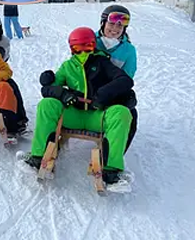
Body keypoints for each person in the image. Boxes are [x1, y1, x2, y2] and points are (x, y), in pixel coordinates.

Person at [19, 27, 134, 190]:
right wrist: (63, 94)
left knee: (121, 113)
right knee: (47, 104)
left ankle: (111, 171)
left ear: (93, 46)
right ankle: (38, 157)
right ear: (71, 49)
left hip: (97, 116)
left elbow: (125, 80)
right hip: (73, 115)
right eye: (77, 48)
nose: (82, 52)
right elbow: (48, 89)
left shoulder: (103, 63)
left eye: (86, 47)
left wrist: (103, 96)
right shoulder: (68, 66)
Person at [96, 5, 138, 152]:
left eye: (120, 25)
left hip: (112, 93)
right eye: (111, 23)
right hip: (87, 88)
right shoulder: (91, 40)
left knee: (131, 114)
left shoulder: (128, 50)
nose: (115, 28)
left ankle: (113, 155)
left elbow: (127, 77)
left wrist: (109, 91)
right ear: (103, 23)